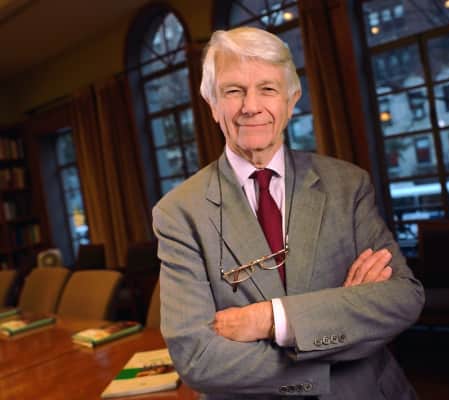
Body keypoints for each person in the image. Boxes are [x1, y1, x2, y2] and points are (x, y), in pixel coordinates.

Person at [153, 26, 424, 399]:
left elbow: (402, 298)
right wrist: (342, 326)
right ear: (212, 104)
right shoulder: (178, 213)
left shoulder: (347, 185)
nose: (251, 106)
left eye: (267, 88)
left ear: (291, 100)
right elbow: (197, 358)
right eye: (233, 91)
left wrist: (272, 319)